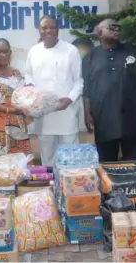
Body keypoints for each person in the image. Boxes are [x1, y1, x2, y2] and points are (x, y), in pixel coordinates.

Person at [83, 18, 136, 162]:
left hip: (132, 120)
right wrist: (87, 113)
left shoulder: (132, 53)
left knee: (135, 164)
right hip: (104, 121)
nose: (117, 30)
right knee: (107, 165)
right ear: (100, 33)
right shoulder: (91, 57)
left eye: (118, 27)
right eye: (112, 27)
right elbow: (87, 90)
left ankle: (134, 186)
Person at [24, 15, 83, 167]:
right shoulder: (34, 51)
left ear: (58, 30)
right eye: (44, 27)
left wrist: (69, 99)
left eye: (52, 27)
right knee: (48, 159)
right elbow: (27, 73)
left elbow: (79, 81)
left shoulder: (70, 51)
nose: (48, 30)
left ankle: (70, 188)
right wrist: (31, 87)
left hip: (67, 113)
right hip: (44, 116)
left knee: (70, 159)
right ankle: (50, 187)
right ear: (39, 30)